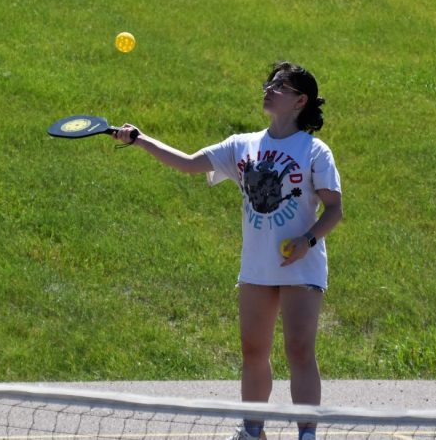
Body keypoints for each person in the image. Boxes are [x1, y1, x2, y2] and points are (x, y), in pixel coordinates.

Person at [112, 62, 343, 440]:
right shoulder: (242, 145)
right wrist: (139, 139)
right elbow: (187, 163)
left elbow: (335, 209)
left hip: (301, 266)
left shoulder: (315, 150)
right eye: (268, 83)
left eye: (279, 86)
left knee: (299, 350)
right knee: (253, 351)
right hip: (257, 266)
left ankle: (307, 434)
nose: (268, 89)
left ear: (300, 101)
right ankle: (252, 430)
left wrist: (308, 241)